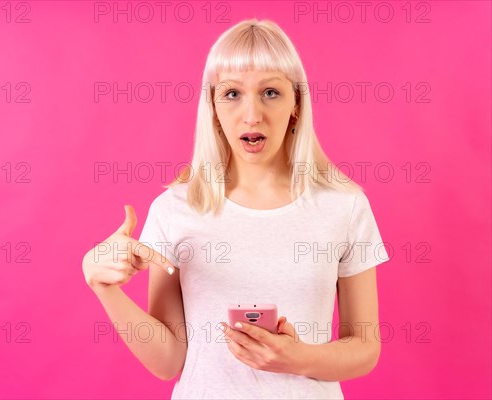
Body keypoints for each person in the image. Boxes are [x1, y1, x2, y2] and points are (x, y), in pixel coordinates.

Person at [82, 18, 390, 400]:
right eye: (232, 94)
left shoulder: (344, 206)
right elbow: (168, 363)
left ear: (296, 103)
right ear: (212, 105)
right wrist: (103, 287)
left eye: (271, 93)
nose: (251, 115)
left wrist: (297, 358)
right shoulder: (174, 210)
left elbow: (364, 349)